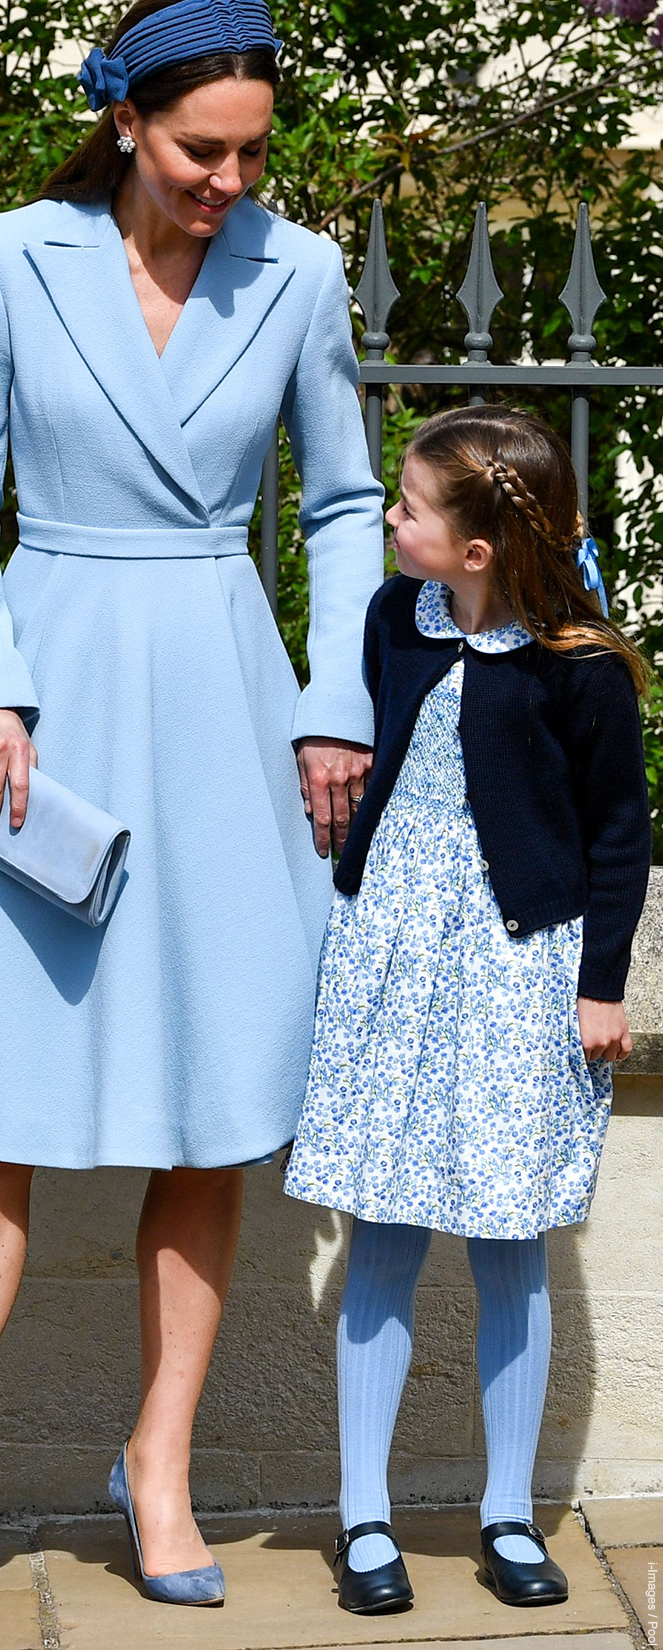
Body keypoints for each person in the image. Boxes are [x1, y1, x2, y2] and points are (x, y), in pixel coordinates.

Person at [0, 0, 384, 1641]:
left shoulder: (296, 274)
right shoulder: (14, 257)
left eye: (251, 153)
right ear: (130, 123)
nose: (230, 181)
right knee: (2, 1119)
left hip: (225, 704)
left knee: (214, 1106)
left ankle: (160, 1468)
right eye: (199, 150)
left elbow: (353, 503)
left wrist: (329, 712)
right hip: (50, 709)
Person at [284, 405, 651, 1614]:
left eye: (409, 505)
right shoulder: (399, 619)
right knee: (381, 1234)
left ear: (479, 547)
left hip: (519, 964)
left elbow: (618, 839)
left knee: (509, 1245)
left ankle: (506, 1515)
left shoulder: (581, 670)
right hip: (393, 951)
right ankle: (367, 1519)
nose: (390, 517)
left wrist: (600, 987)